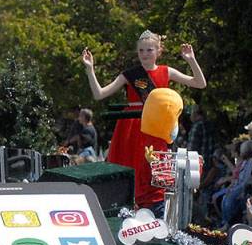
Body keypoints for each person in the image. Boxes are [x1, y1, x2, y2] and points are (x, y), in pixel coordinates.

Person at [82, 30, 206, 208]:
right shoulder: (129, 75)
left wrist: (191, 60)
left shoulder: (166, 71)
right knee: (129, 166)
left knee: (152, 167)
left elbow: (200, 83)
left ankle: (155, 206)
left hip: (155, 126)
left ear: (158, 51)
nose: (145, 54)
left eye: (149, 50)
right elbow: (99, 94)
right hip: (131, 127)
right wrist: (90, 69)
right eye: (141, 51)